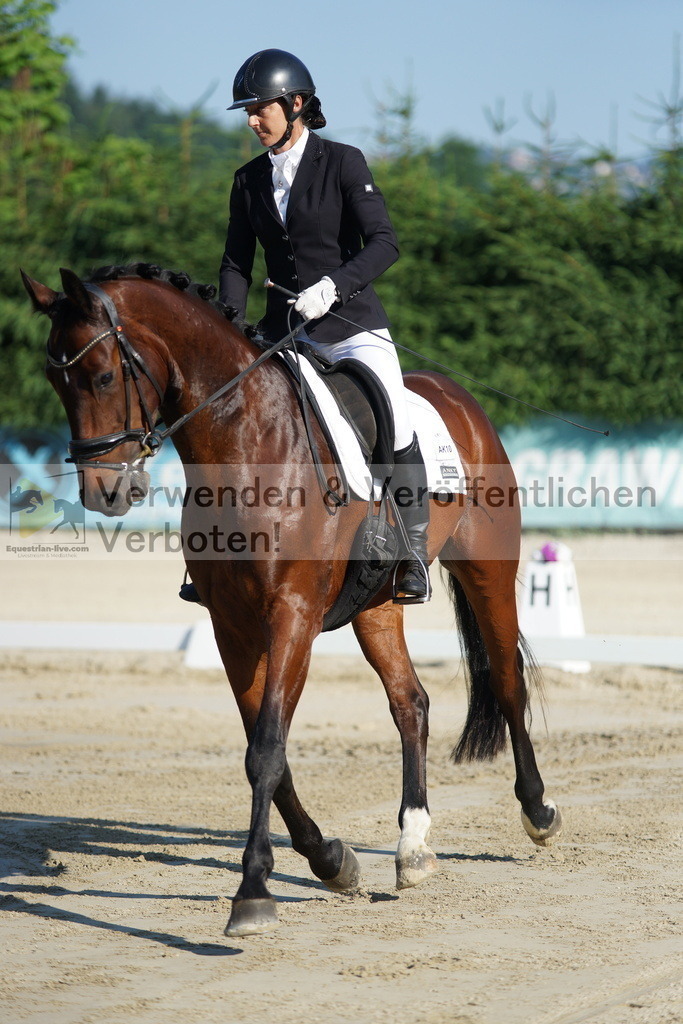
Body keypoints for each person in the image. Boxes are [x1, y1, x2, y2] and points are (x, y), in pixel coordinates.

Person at [218, 48, 430, 603]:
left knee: (394, 418)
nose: (251, 120)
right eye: (246, 111)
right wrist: (229, 328)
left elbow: (385, 243)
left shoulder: (343, 162)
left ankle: (411, 553)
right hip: (282, 333)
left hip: (350, 324)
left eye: (259, 108)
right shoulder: (247, 181)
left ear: (295, 104)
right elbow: (236, 264)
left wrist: (333, 286)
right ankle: (214, 553)